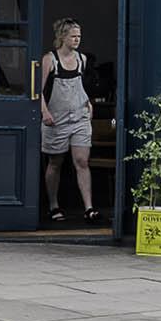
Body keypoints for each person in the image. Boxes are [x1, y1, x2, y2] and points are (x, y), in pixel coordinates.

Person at [39, 18, 99, 223]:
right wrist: (44, 111)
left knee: (82, 161)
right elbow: (36, 89)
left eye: (79, 36)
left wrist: (88, 102)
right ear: (62, 37)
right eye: (73, 36)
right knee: (55, 162)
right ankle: (54, 205)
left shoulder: (82, 59)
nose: (77, 39)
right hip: (56, 119)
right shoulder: (50, 59)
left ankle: (89, 207)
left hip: (79, 117)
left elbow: (83, 86)